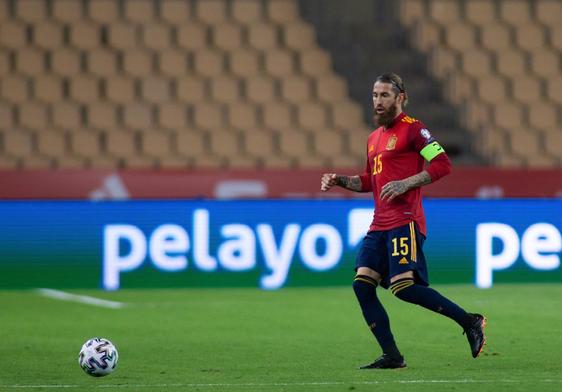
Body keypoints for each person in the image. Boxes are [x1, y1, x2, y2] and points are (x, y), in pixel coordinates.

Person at [320, 73, 486, 369]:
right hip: (379, 223)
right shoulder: (373, 138)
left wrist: (407, 182)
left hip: (405, 220)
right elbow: (372, 180)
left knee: (403, 288)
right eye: (374, 95)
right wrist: (340, 180)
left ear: (401, 98)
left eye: (385, 95)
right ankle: (393, 356)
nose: (378, 101)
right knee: (362, 285)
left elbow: (443, 164)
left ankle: (469, 321)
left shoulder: (414, 130)